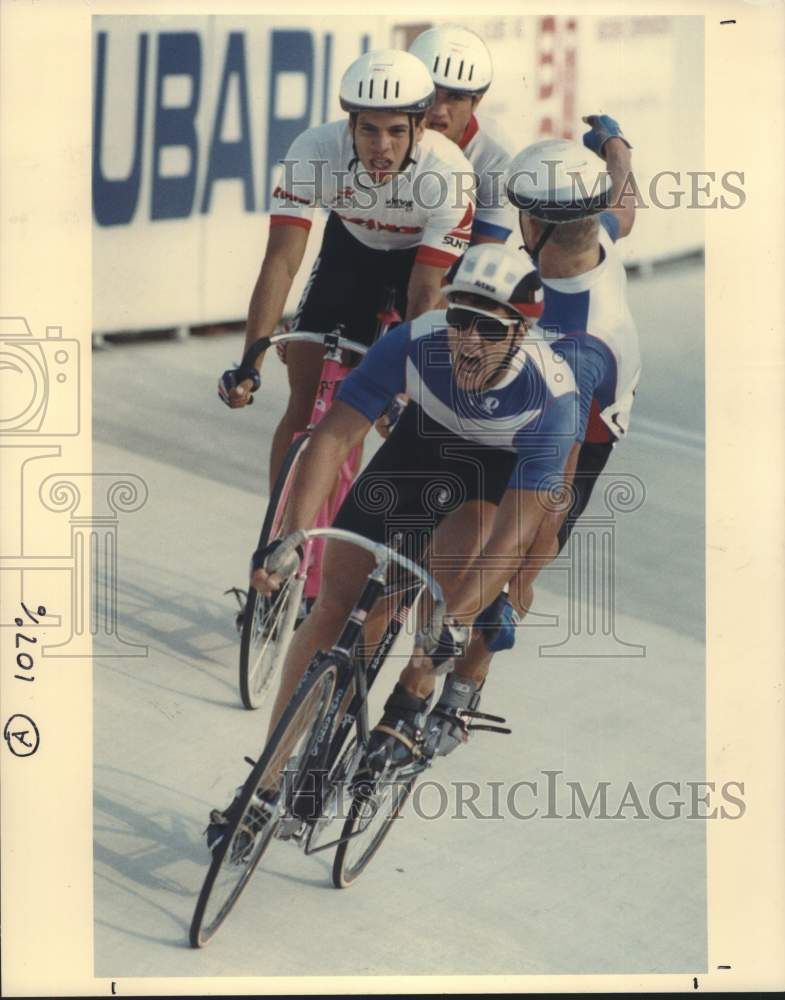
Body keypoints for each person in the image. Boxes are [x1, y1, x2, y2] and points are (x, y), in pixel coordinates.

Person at [243, 241, 617, 779]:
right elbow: (331, 439)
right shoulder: (411, 342)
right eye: (460, 320)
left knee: (451, 589)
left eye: (488, 329)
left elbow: (511, 539)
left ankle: (414, 695)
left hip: (495, 476)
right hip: (422, 449)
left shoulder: (551, 395)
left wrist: (456, 618)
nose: (467, 340)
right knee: (336, 605)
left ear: (520, 331)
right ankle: (269, 779)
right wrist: (293, 538)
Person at [217, 48, 476, 493]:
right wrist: (249, 362)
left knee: (399, 400)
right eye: (368, 130)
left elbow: (424, 291)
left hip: (416, 263)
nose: (382, 147)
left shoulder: (448, 172)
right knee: (304, 396)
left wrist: (407, 386)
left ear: (420, 126)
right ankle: (279, 529)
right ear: (349, 125)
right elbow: (280, 260)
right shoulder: (314, 150)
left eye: (397, 131)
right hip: (350, 249)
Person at [454, 118, 643, 695]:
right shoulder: (593, 232)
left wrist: (524, 564)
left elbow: (554, 491)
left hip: (583, 423)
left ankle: (468, 679)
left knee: (517, 563)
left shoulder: (582, 342)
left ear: (534, 225)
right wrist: (615, 145)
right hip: (538, 380)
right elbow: (624, 204)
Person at [409, 24, 516, 245]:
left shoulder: (495, 161)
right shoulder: (377, 130)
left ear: (476, 102)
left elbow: (482, 255)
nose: (438, 110)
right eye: (430, 95)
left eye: (455, 98)